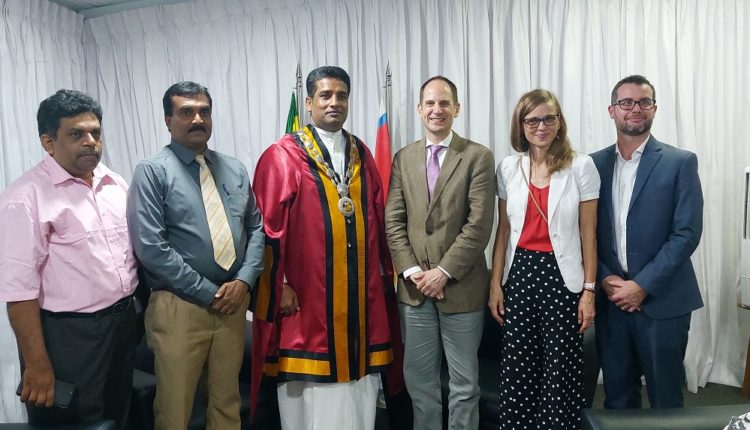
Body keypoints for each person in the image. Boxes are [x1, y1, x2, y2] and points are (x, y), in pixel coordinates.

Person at [251, 66, 401, 430]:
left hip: (360, 300)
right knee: (310, 398)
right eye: (325, 95)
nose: (335, 102)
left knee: (359, 391)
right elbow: (264, 230)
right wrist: (279, 284)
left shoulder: (362, 153)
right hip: (307, 301)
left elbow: (379, 221)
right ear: (309, 102)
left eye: (342, 96)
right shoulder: (282, 155)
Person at [126, 81, 265, 430]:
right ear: (168, 121)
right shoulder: (152, 171)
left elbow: (257, 228)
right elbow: (152, 248)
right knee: (175, 411)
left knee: (226, 405)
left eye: (204, 111)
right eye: (186, 112)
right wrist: (209, 293)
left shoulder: (234, 169)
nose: (197, 119)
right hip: (180, 306)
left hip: (232, 304)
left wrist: (244, 281)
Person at [0, 89, 138, 429]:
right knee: (70, 421)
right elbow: (19, 292)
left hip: (121, 325)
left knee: (116, 413)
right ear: (48, 142)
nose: (90, 142)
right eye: (76, 134)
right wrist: (37, 363)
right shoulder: (25, 198)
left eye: (95, 133)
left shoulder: (114, 183)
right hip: (68, 335)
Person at [385, 75, 495, 430]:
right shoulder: (403, 158)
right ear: (420, 110)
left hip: (460, 289)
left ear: (456, 108)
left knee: (464, 386)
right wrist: (412, 271)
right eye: (430, 103)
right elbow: (393, 221)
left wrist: (442, 273)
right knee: (420, 384)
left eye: (444, 103)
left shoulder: (477, 156)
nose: (437, 109)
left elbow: (478, 226)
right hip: (414, 290)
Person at [591, 75, 704, 409]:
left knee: (665, 400)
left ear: (654, 108)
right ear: (612, 110)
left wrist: (642, 285)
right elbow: (584, 233)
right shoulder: (592, 165)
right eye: (626, 102)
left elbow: (686, 233)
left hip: (663, 301)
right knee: (617, 399)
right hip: (612, 302)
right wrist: (605, 279)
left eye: (644, 102)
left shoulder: (680, 162)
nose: (635, 109)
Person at [490, 89, 599, 429]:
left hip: (561, 276)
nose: (541, 127)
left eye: (549, 118)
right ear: (520, 125)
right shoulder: (509, 167)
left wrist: (589, 291)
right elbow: (503, 231)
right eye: (533, 120)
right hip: (519, 274)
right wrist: (495, 284)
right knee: (518, 366)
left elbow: (588, 235)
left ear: (559, 122)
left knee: (559, 367)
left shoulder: (581, 166)